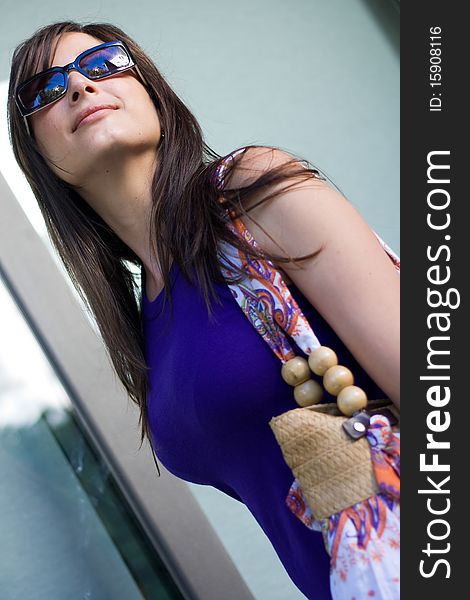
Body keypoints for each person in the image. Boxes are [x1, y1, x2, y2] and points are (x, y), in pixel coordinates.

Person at [8, 21, 400, 600]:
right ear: (37, 154)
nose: (81, 87)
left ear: (153, 95)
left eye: (102, 64)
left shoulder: (248, 191)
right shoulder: (145, 324)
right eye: (46, 89)